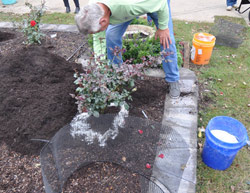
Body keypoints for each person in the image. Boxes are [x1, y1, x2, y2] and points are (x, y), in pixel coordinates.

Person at [75, 0, 180, 99]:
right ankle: (116, 74)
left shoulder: (127, 5)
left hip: (157, 3)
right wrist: (100, 68)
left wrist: (162, 27)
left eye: (98, 30)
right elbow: (99, 40)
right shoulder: (92, 9)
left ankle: (173, 80)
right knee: (111, 35)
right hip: (126, 9)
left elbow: (160, 3)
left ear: (103, 21)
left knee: (166, 40)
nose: (98, 32)